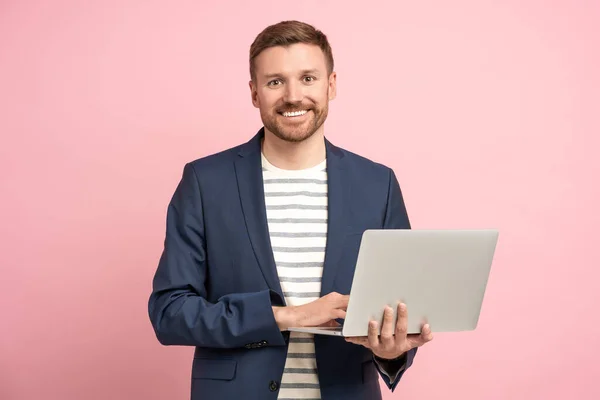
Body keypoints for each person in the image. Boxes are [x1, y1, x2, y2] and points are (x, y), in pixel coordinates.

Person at [148, 20, 433, 400]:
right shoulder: (205, 182)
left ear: (331, 84)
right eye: (275, 81)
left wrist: (392, 351)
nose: (293, 96)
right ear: (254, 93)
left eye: (308, 78)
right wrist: (287, 317)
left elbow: (398, 306)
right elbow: (170, 312)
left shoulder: (377, 184)